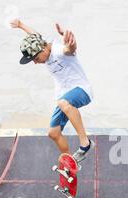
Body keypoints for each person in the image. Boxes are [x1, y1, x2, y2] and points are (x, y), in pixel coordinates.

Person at [11, 19, 93, 167]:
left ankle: (85, 143)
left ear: (43, 50)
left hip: (82, 91)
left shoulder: (58, 51)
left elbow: (70, 50)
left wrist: (71, 42)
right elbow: (35, 34)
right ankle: (69, 164)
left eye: (36, 59)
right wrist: (21, 25)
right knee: (53, 133)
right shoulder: (42, 44)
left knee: (63, 102)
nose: (36, 63)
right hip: (64, 97)